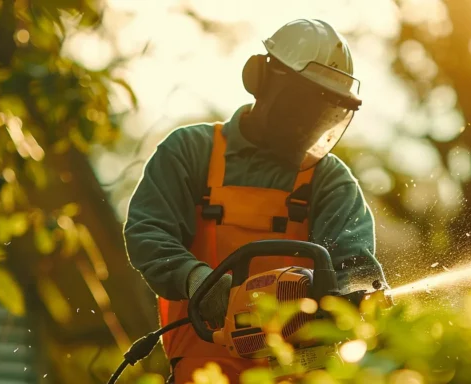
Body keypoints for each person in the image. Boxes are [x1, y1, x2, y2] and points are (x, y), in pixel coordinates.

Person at [124, 19, 389, 383]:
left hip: (295, 373)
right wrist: (197, 280)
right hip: (202, 371)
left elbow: (356, 267)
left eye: (324, 110)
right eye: (303, 103)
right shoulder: (191, 152)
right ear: (261, 79)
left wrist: (355, 295)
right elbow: (147, 231)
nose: (310, 121)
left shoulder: (329, 181)